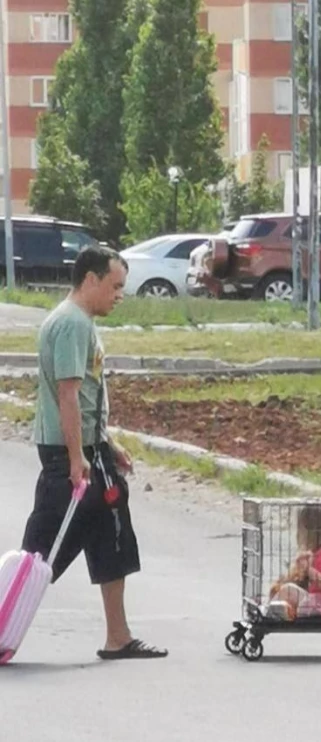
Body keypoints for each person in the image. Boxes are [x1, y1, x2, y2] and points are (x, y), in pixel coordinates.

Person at [21, 245, 168, 660]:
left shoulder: (80, 321)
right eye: (115, 285)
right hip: (68, 453)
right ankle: (5, 619)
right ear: (91, 280)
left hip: (90, 448)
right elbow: (67, 394)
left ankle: (118, 638)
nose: (120, 294)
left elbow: (83, 398)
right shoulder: (71, 324)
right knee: (39, 554)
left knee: (113, 537)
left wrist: (106, 444)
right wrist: (75, 457)